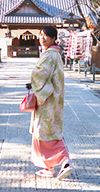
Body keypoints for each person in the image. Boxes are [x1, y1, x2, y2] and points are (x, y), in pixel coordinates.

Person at [30, 25, 73, 180]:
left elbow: (39, 73)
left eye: (46, 35)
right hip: (52, 98)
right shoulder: (55, 54)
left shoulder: (49, 55)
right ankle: (48, 167)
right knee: (44, 132)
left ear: (54, 38)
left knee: (48, 132)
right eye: (41, 34)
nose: (42, 38)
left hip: (48, 100)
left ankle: (65, 161)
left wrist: (33, 76)